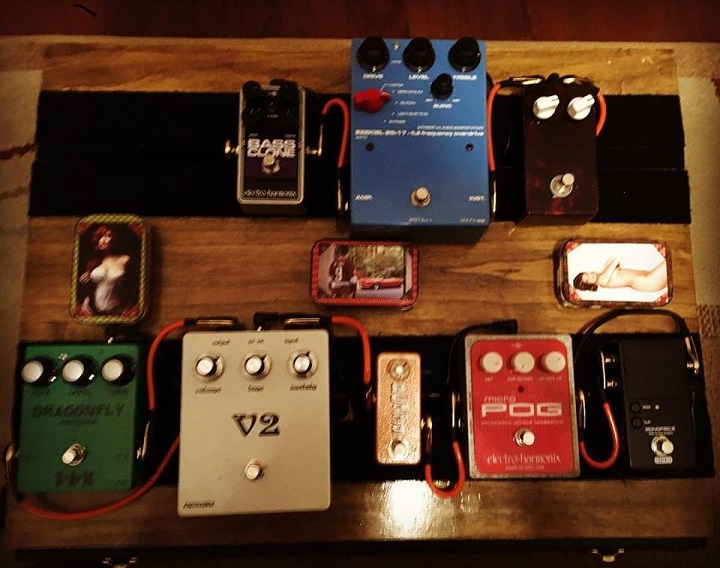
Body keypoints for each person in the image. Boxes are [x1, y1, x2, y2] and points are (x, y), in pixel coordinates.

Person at [78, 225, 136, 316]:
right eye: (100, 237)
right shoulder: (94, 263)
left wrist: (127, 310)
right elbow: (89, 289)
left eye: (108, 236)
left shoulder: (125, 259)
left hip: (117, 312)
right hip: (90, 310)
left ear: (115, 239)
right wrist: (85, 281)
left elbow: (133, 288)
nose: (103, 240)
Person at [573, 257, 668, 293]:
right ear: (589, 285)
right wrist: (601, 271)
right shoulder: (602, 280)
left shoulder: (602, 274)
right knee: (670, 261)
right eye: (588, 280)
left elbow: (612, 258)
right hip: (647, 281)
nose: (590, 276)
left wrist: (600, 271)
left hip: (647, 277)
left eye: (587, 274)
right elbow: (616, 260)